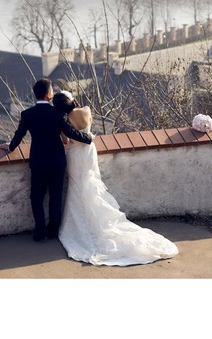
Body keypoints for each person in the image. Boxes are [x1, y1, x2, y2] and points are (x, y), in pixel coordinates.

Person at [52, 90, 178, 266]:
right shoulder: (86, 110)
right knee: (90, 182)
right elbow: (88, 127)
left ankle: (82, 223)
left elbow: (66, 142)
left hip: (75, 155)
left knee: (77, 186)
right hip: (88, 153)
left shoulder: (64, 120)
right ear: (72, 100)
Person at [0, 78, 94, 242]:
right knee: (55, 197)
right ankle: (53, 232)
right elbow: (70, 133)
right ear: (49, 95)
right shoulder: (58, 114)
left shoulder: (27, 114)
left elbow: (19, 135)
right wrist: (89, 138)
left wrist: (10, 147)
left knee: (36, 197)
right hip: (57, 161)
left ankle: (40, 231)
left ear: (36, 95)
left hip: (38, 162)